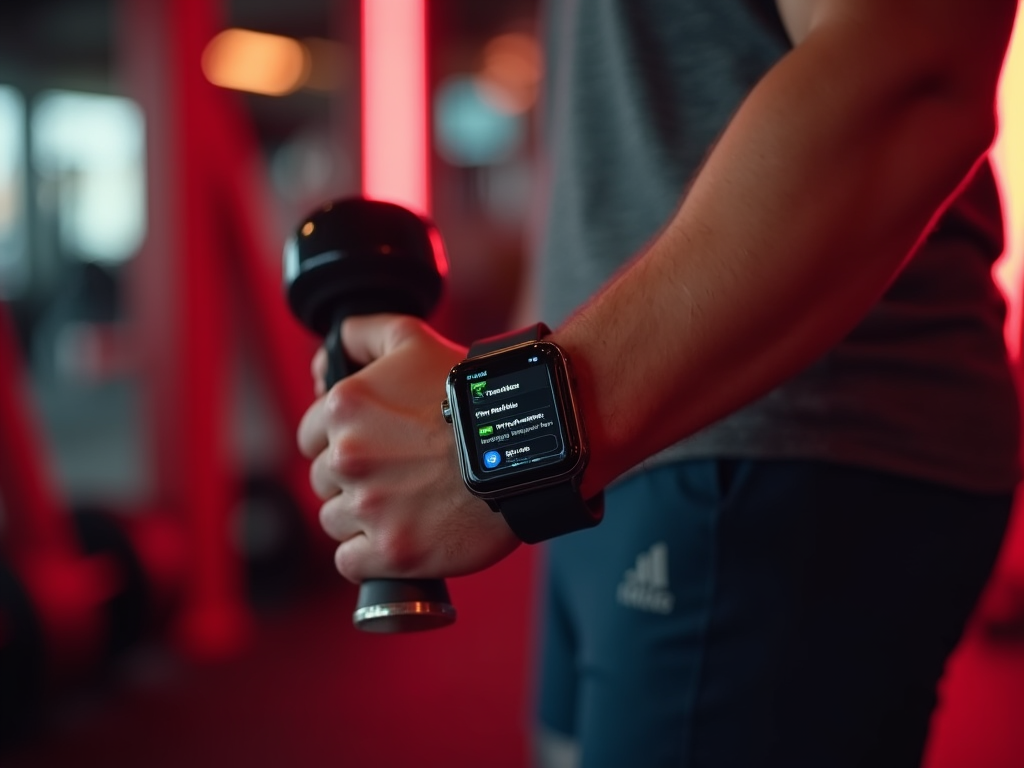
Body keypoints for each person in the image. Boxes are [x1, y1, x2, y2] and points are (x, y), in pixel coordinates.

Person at [297, 1, 1022, 766]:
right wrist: (496, 400)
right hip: (610, 457)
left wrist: (499, 434)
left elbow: (911, 66)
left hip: (765, 443)